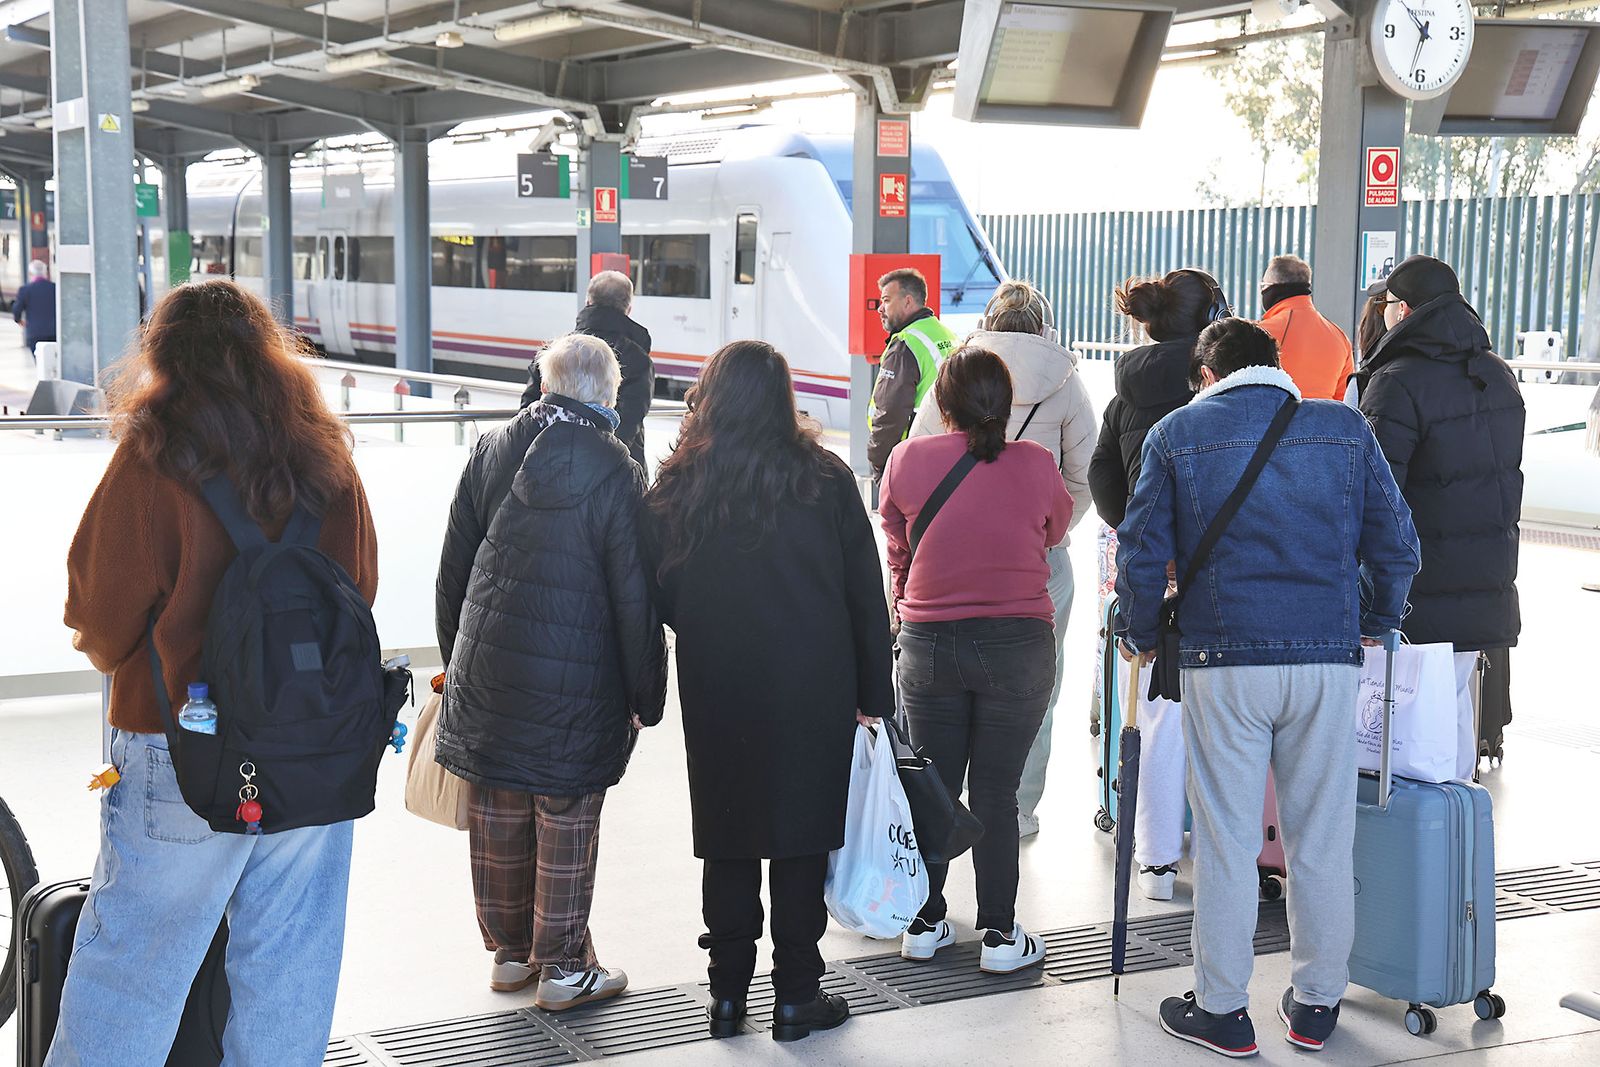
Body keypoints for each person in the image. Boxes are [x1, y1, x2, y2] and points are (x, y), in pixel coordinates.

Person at [51, 279, 379, 1066]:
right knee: (289, 967)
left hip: (180, 745)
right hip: (312, 748)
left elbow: (98, 614)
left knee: (134, 969)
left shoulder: (153, 455)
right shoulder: (324, 454)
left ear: (165, 355)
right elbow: (357, 589)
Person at [1116, 317, 1419, 1057]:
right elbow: (1397, 542)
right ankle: (1315, 1004)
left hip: (1223, 662)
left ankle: (1222, 1010)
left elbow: (1141, 548)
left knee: (1226, 839)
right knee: (1321, 837)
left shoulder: (1177, 434)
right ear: (1275, 365)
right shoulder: (1342, 428)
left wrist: (1139, 630)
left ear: (1207, 375)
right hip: (1326, 660)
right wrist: (1376, 617)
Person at [642, 340, 895, 1043]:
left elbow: (656, 586)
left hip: (718, 685)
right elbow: (864, 594)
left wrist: (706, 624)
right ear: (783, 397)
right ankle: (796, 997)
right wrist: (873, 692)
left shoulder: (678, 483)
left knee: (727, 837)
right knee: (799, 838)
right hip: (813, 685)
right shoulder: (825, 476)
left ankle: (726, 997)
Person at [436, 332, 667, 1012]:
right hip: (578, 680)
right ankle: (564, 967)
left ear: (544, 383)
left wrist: (458, 664)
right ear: (609, 394)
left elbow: (453, 569)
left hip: (488, 667)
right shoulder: (615, 464)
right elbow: (634, 595)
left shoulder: (490, 446)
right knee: (565, 811)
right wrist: (646, 692)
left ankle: (510, 956)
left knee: (499, 804)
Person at [881, 345, 1073, 975]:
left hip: (929, 643)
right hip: (1017, 645)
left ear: (943, 403)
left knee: (932, 785)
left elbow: (897, 542)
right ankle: (999, 934)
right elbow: (1056, 531)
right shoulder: (1037, 462)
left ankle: (924, 921)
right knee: (996, 791)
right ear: (1007, 403)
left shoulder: (907, 459)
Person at [907, 280, 1096, 837]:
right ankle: (1016, 809)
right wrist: (1042, 530)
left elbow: (915, 456)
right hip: (1038, 564)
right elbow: (1084, 476)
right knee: (1035, 688)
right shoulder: (1065, 379)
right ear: (1044, 326)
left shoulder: (956, 372)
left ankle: (945, 811)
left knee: (946, 685)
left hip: (949, 561)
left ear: (986, 322)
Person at [1087, 268, 1229, 898]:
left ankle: (1157, 863)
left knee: (1157, 713)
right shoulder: (1217, 386)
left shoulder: (1128, 389)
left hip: (1152, 569)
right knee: (1228, 719)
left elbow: (1100, 474)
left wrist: (1138, 532)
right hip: (1218, 569)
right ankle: (1225, 855)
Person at [1356, 255, 1525, 765]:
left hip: (1419, 586)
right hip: (1486, 578)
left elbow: (1375, 494)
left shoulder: (1396, 381)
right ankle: (1455, 813)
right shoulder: (1497, 373)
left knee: (1405, 731)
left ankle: (1420, 818)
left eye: (1386, 304)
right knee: (1453, 709)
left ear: (1404, 310)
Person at [522, 270, 655, 471]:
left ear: (588, 302)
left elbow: (528, 411)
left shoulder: (554, 352)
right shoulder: (639, 359)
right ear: (628, 308)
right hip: (613, 470)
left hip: (544, 466)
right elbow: (629, 423)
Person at [867, 267, 960, 481]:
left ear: (907, 301)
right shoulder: (946, 334)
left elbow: (890, 413)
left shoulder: (905, 344)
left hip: (912, 459)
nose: (880, 309)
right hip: (949, 453)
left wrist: (878, 461)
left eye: (886, 300)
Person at [1253, 254, 1353, 401]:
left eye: (1263, 286)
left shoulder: (1259, 333)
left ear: (1272, 288)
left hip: (1271, 415)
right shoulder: (1339, 337)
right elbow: (1345, 401)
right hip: (1322, 416)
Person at [13, 259, 56, 357]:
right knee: (53, 360)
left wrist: (18, 320)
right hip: (54, 331)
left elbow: (16, 309)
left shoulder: (25, 290)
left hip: (35, 333)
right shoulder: (54, 288)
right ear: (46, 273)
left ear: (30, 273)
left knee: (39, 360)